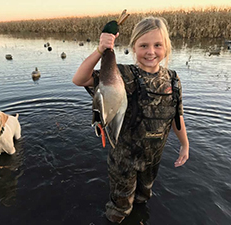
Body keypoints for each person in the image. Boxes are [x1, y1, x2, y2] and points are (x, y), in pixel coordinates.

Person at [72, 16, 189, 223]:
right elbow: (79, 79)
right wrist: (101, 50)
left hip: (153, 158)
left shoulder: (173, 78)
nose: (151, 51)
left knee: (143, 199)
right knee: (120, 207)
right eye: (143, 45)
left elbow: (176, 116)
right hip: (124, 159)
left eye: (157, 45)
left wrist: (184, 144)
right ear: (134, 47)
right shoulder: (122, 75)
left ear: (167, 47)